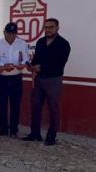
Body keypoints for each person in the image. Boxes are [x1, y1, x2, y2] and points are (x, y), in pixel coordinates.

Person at [24, 18, 71, 146]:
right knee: (35, 106)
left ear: (57, 28)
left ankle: (51, 137)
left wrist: (42, 67)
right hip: (39, 79)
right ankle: (35, 134)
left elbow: (60, 64)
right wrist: (31, 66)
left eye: (51, 27)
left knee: (53, 108)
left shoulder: (63, 44)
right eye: (46, 27)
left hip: (53, 80)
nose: (48, 29)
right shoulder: (40, 42)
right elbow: (36, 59)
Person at [0, 22, 30, 138]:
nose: (11, 36)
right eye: (9, 33)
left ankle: (14, 129)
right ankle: (3, 129)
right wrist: (2, 66)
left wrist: (22, 64)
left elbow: (26, 59)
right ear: (4, 32)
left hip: (16, 77)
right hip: (2, 77)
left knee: (15, 104)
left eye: (13, 34)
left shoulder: (22, 44)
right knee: (2, 103)